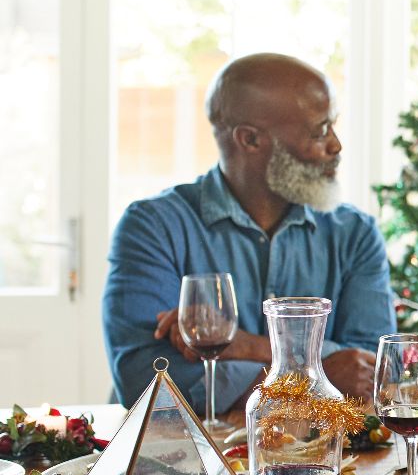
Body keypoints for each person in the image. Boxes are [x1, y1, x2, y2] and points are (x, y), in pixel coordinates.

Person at [102, 53, 394, 408]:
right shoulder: (152, 227)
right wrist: (317, 373)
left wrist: (243, 346)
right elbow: (144, 380)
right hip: (184, 457)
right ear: (250, 140)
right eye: (320, 131)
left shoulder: (355, 233)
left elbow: (370, 370)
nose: (336, 145)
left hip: (322, 457)